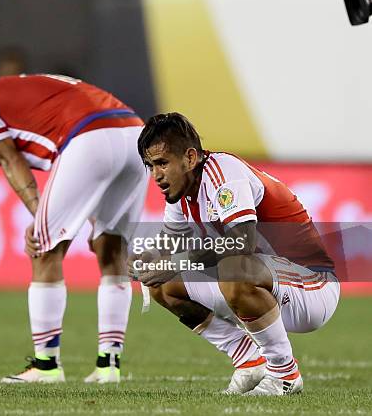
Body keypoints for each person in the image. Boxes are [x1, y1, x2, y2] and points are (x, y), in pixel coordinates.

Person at [0, 74, 148, 383]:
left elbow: (8, 157)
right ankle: (108, 365)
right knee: (112, 251)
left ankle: (46, 366)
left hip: (90, 135)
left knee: (44, 249)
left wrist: (38, 214)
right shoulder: (17, 91)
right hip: (136, 133)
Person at [130, 113, 339, 396]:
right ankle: (248, 359)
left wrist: (175, 261)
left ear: (190, 158)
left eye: (162, 163)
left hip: (313, 287)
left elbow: (242, 244)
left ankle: (284, 376)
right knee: (161, 284)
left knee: (233, 267)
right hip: (266, 283)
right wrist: (143, 260)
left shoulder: (224, 173)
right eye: (150, 165)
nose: (156, 175)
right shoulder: (180, 194)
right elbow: (167, 249)